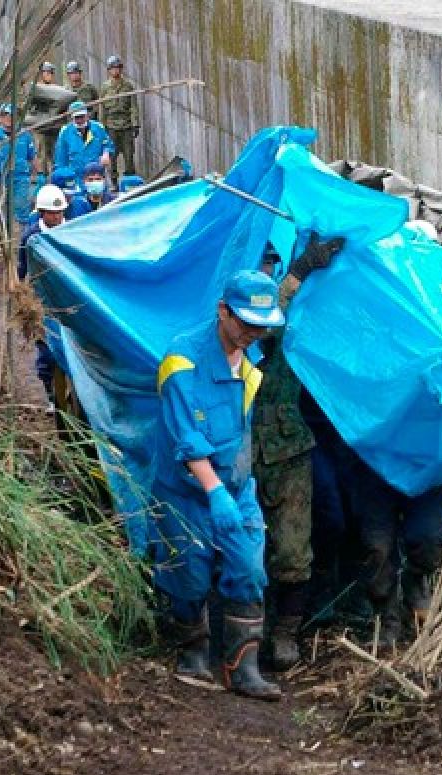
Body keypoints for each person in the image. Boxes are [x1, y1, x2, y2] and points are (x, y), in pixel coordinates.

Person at [151, 269, 287, 701]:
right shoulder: (182, 359)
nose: (253, 333)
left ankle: (242, 667)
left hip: (236, 488)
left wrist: (233, 493)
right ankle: (192, 651)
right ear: (222, 311)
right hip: (187, 492)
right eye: (245, 322)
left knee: (249, 570)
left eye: (261, 326)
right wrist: (213, 493)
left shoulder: (253, 363)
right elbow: (186, 437)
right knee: (187, 575)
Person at [252, 235, 344, 670]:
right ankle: (248, 628)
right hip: (239, 446)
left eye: (273, 266)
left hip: (287, 444)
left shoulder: (292, 306)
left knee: (293, 544)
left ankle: (287, 628)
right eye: (263, 266)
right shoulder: (239, 311)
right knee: (246, 545)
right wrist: (301, 270)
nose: (267, 275)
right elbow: (267, 325)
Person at [17, 185, 69, 409]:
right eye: (51, 213)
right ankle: (51, 393)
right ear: (41, 212)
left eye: (59, 212)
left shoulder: (72, 229)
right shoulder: (31, 237)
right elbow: (22, 268)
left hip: (68, 299)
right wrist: (21, 294)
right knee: (47, 352)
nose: (56, 217)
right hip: (42, 301)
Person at [0, 103, 39, 224]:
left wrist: (36, 177)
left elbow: (32, 157)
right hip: (0, 177)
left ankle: (21, 236)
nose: (8, 118)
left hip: (20, 177)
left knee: (21, 208)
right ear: (0, 117)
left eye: (11, 115)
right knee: (1, 211)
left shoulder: (24, 135)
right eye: (5, 115)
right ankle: (3, 236)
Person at [100, 55, 140, 185]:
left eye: (117, 68)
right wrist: (102, 127)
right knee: (112, 156)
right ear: (109, 71)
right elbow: (102, 108)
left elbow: (133, 106)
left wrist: (135, 124)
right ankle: (114, 182)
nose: (115, 71)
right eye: (113, 68)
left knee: (129, 156)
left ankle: (130, 181)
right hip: (111, 127)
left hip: (126, 126)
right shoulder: (105, 87)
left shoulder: (128, 86)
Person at [54, 101, 113, 177]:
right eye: (76, 117)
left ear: (87, 115)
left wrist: (106, 153)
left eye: (82, 116)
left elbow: (107, 144)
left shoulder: (98, 127)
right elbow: (60, 157)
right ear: (72, 117)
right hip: (75, 176)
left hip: (96, 175)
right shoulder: (65, 131)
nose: (79, 120)